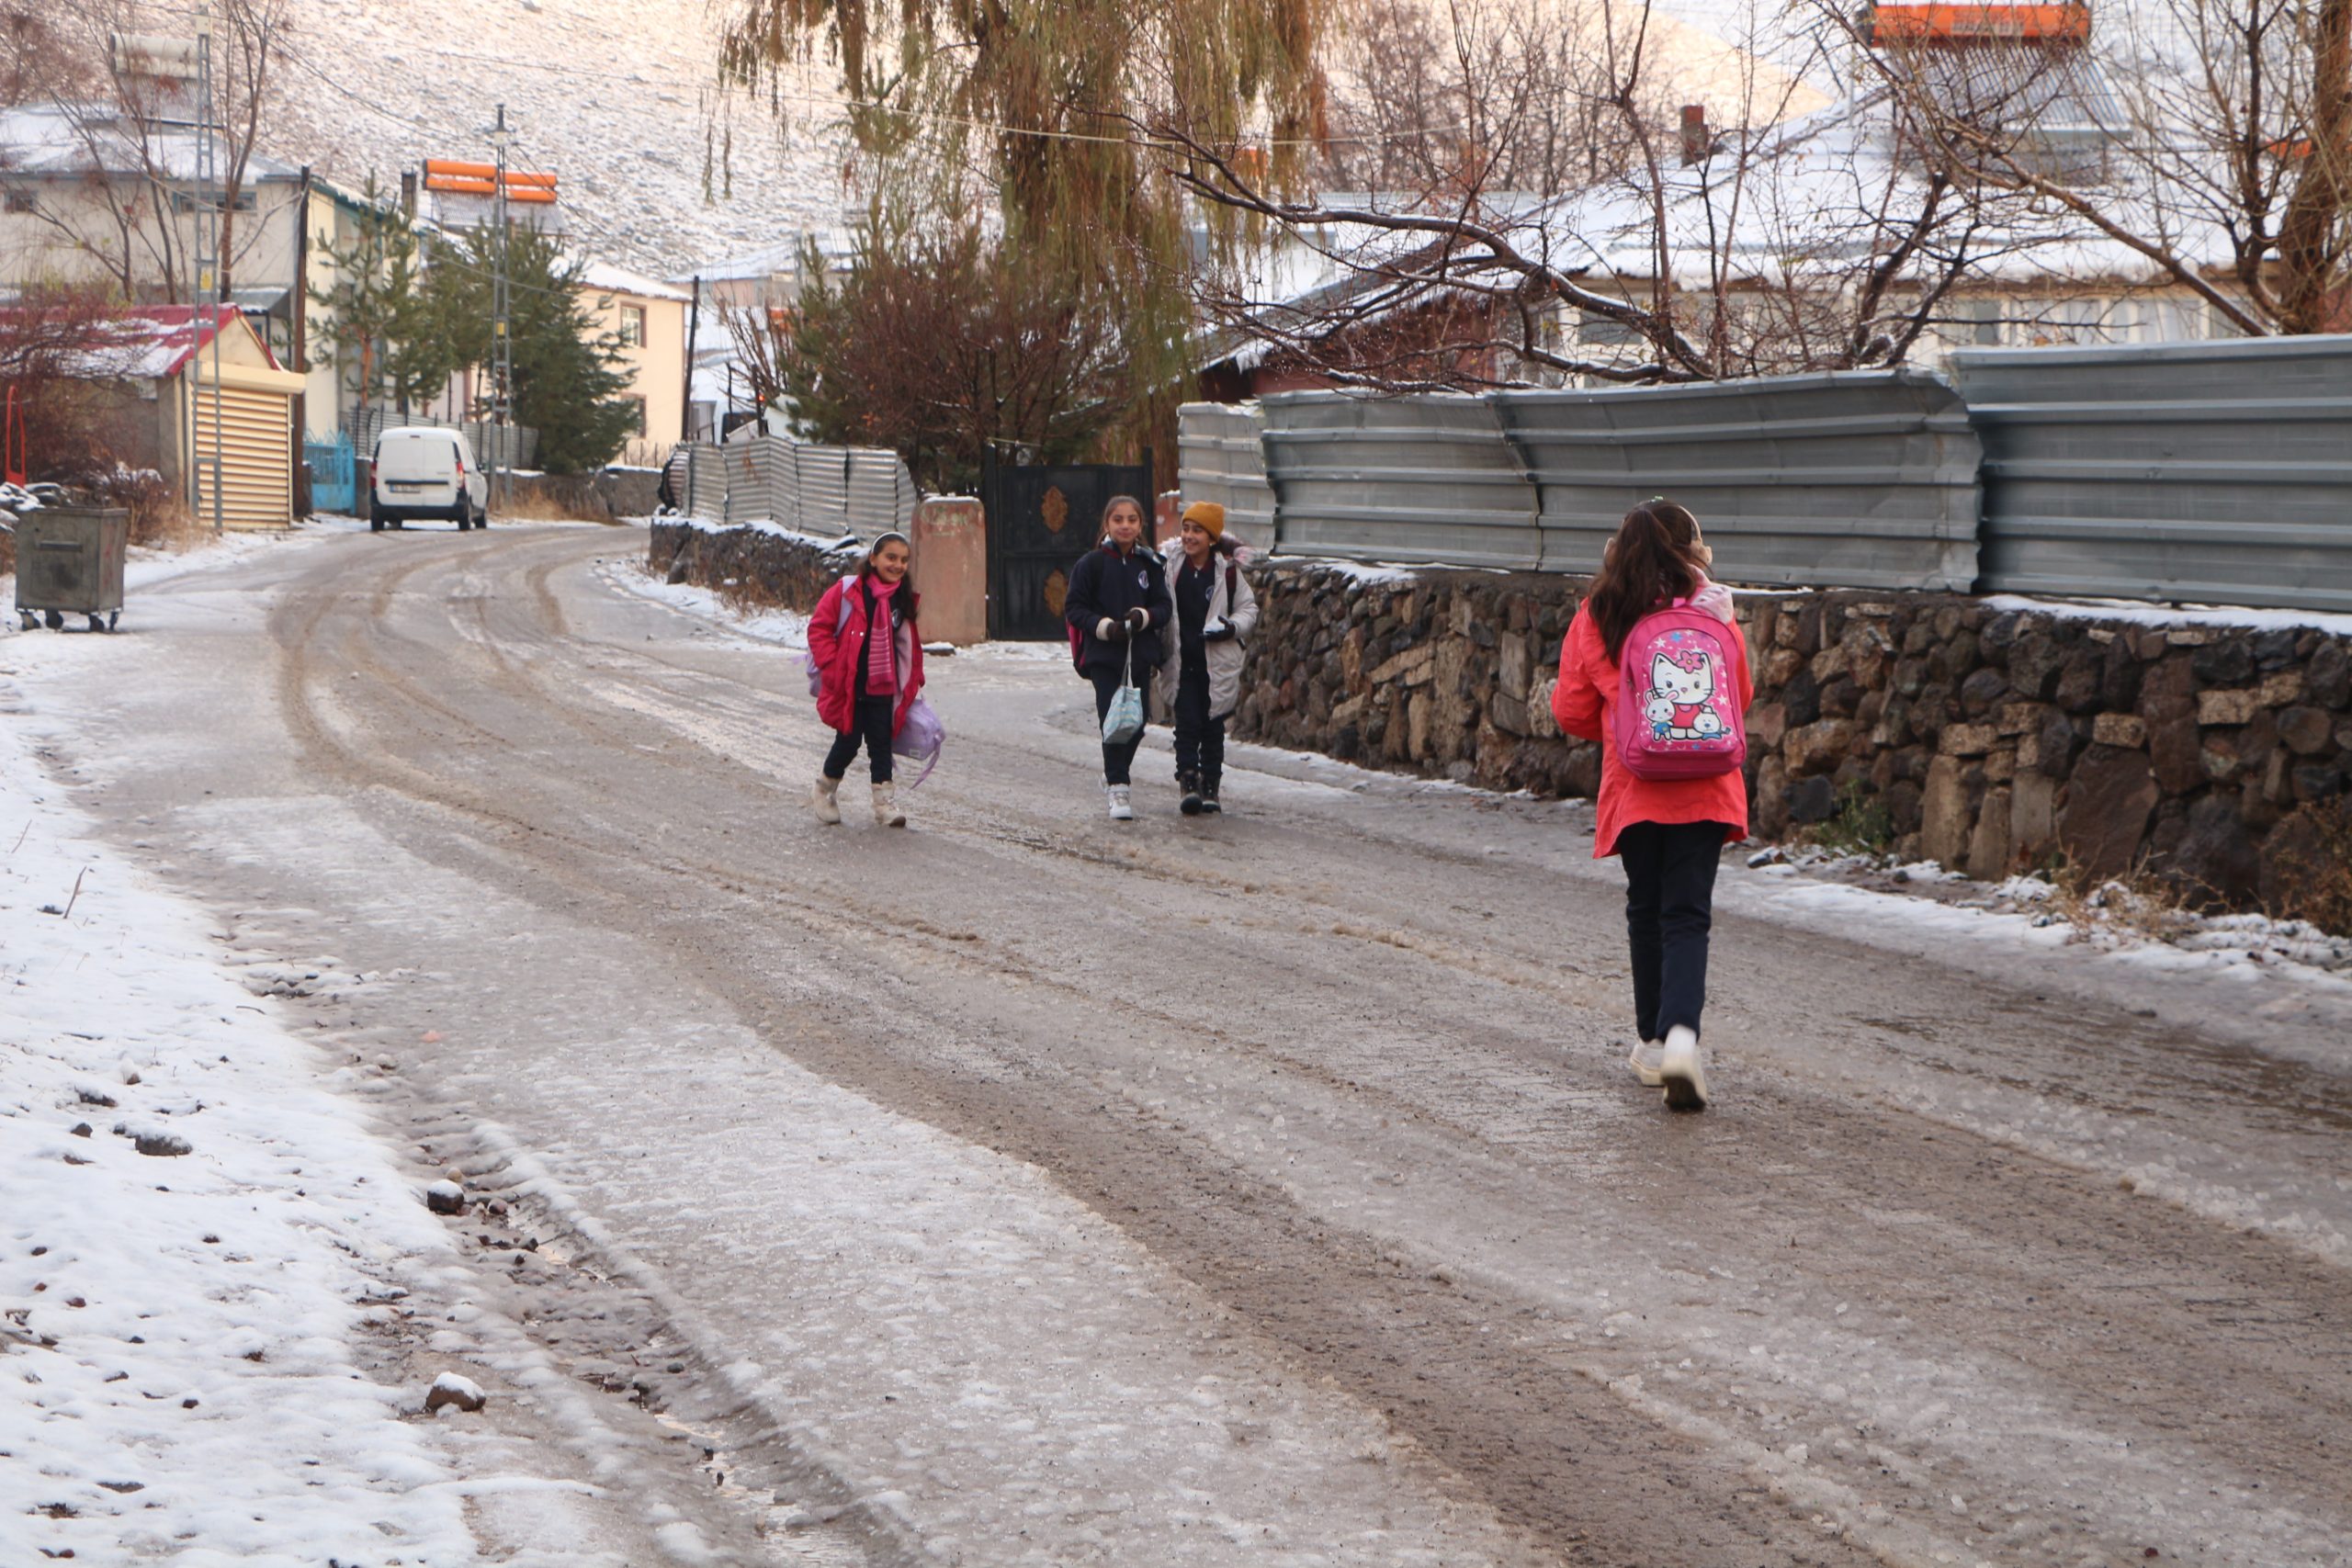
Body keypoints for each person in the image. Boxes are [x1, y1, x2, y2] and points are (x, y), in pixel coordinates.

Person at [1551, 499, 1751, 1111]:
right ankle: (1684, 1036)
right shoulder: (1712, 607)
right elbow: (1738, 693)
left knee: (1646, 907)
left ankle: (1655, 1038)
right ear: (1689, 546)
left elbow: (1571, 709)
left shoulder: (1600, 612)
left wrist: (1623, 720)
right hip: (1708, 784)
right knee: (1687, 913)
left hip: (1636, 783)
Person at [1064, 494, 1172, 820]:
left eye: (1132, 520)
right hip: (1104, 656)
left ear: (1140, 525)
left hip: (1139, 655)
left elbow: (1164, 607)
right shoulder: (1091, 564)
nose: (1125, 525)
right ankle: (1119, 788)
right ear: (1107, 524)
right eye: (1118, 520)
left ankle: (1114, 773)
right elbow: (1074, 608)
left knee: (1136, 723)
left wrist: (1143, 616)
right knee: (1113, 721)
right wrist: (1104, 627)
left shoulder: (1150, 565)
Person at [808, 532, 925, 829]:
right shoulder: (848, 591)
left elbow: (907, 644)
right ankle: (824, 788)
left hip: (883, 686)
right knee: (848, 741)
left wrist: (913, 678)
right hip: (849, 684)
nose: (898, 565)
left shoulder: (902, 598)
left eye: (903, 560)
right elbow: (819, 628)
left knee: (881, 743)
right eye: (891, 558)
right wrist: (833, 669)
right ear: (873, 559)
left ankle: (884, 804)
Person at [1154, 500, 1259, 815]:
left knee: (1213, 725)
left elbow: (1248, 609)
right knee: (1185, 724)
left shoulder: (1226, 573)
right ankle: (1188, 780)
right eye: (1185, 528)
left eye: (1197, 530)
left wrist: (1230, 627)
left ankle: (1211, 783)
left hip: (1216, 664)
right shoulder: (1171, 567)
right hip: (1181, 661)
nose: (1189, 536)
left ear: (1211, 538)